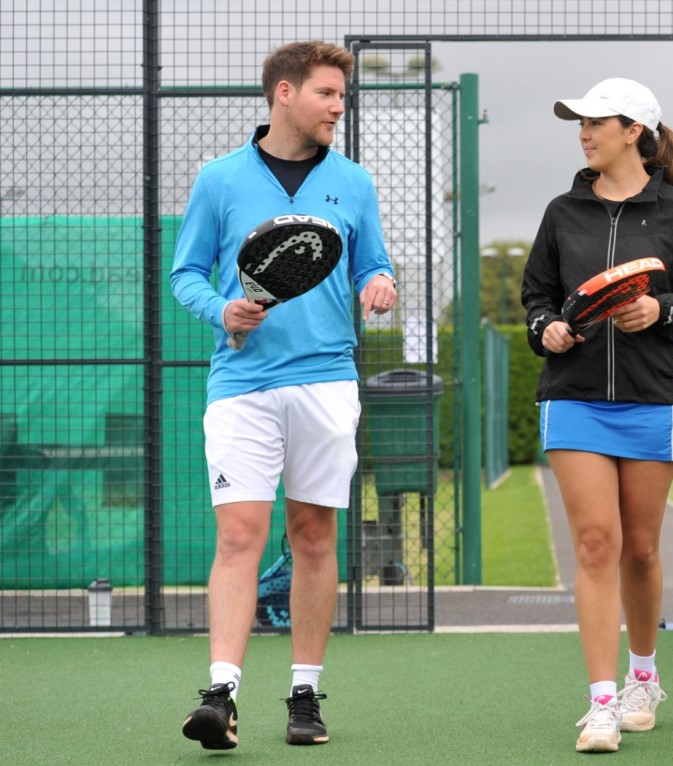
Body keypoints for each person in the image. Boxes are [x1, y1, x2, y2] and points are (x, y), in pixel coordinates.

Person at [170, 40, 397, 749]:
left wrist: (377, 284)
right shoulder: (219, 179)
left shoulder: (353, 182)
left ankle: (304, 695)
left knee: (312, 535)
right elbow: (187, 275)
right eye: (328, 94)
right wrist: (222, 311)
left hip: (329, 382)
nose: (339, 106)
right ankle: (220, 696)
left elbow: (374, 262)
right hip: (241, 384)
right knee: (239, 534)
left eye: (343, 95)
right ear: (285, 94)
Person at [522, 77, 673, 753]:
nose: (583, 132)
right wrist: (546, 328)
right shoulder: (561, 213)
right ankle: (601, 703)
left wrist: (660, 311)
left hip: (652, 402)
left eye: (595, 121)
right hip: (574, 401)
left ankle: (644, 676)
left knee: (640, 549)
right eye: (579, 122)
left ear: (634, 130)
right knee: (596, 545)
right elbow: (536, 298)